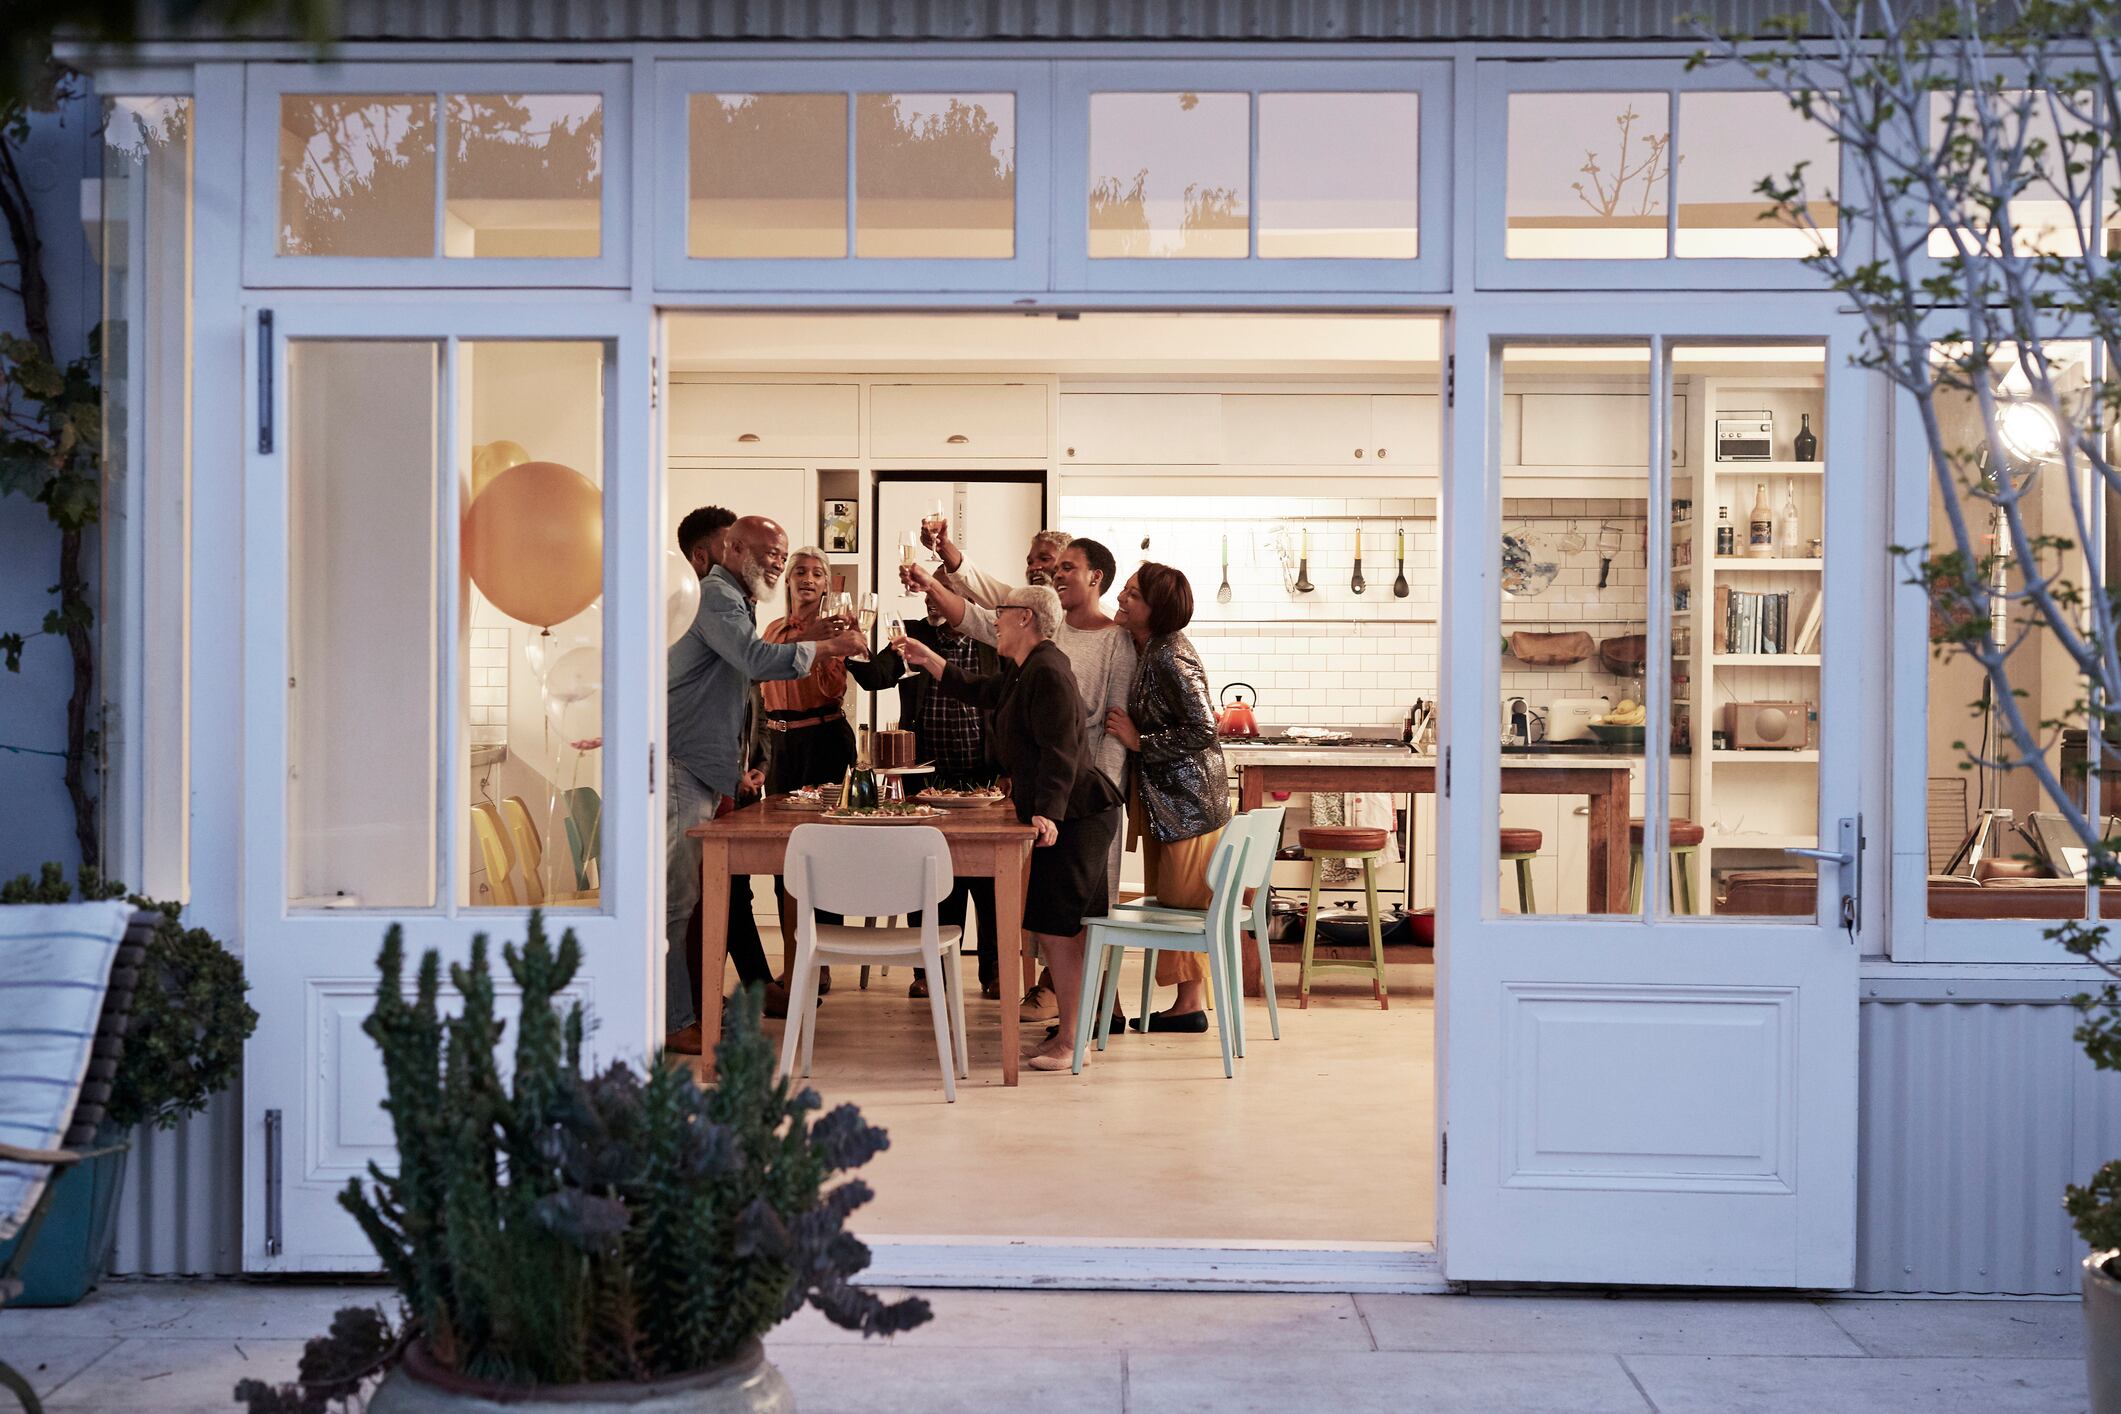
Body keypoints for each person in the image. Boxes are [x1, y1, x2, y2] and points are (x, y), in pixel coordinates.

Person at [907, 537, 1137, 1026]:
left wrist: (1047, 813)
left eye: (1002, 612)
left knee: (1059, 930)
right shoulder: (1024, 668)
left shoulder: (1049, 672)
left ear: (1025, 618)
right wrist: (929, 659)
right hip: (1071, 811)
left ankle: (1072, 1034)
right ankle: (1077, 1032)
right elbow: (980, 690)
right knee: (1062, 930)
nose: (993, 619)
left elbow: (1061, 751)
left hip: (1079, 813)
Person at [665, 513, 864, 1053]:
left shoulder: (736, 599)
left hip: (708, 766)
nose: (779, 562)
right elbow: (755, 662)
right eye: (772, 554)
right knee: (680, 902)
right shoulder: (716, 595)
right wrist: (824, 648)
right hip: (684, 764)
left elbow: (732, 686)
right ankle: (675, 1019)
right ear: (732, 548)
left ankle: (707, 1003)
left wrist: (740, 765)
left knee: (708, 894)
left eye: (785, 555)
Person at [1107, 563, 1230, 1033]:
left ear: (1155, 610)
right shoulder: (1150, 648)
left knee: (1182, 906)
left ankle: (1190, 1006)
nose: (1121, 597)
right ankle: (1187, 1004)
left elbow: (1204, 727)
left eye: (1133, 594)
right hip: (1172, 804)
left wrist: (1141, 743)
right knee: (1175, 903)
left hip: (1190, 805)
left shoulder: (1169, 655)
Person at [865, 613, 1005, 1000]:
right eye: (928, 591)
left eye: (942, 589)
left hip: (986, 779)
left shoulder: (991, 637)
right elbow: (873, 677)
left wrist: (1011, 768)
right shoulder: (914, 635)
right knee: (930, 877)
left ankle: (994, 970)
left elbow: (1010, 702)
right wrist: (856, 645)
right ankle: (931, 970)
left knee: (989, 880)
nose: (932, 598)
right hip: (924, 778)